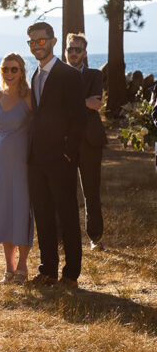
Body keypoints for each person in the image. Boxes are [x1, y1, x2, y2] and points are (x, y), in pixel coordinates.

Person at [25, 22, 85, 289]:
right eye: (32, 42)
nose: (36, 45)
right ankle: (47, 271)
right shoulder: (34, 76)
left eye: (41, 41)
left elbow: (79, 120)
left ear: (52, 41)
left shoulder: (68, 75)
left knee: (67, 216)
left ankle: (71, 274)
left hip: (60, 159)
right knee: (44, 215)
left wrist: (68, 155)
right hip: (36, 159)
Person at [0, 54, 34, 285]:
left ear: (22, 71)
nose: (10, 74)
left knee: (22, 211)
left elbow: (37, 129)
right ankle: (9, 267)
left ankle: (23, 265)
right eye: (6, 69)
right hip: (1, 162)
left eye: (14, 69)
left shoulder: (29, 96)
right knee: (3, 211)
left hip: (23, 162)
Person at [64, 33, 107, 251]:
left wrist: (71, 104)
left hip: (90, 141)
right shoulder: (57, 75)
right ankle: (67, 238)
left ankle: (95, 237)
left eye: (77, 50)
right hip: (65, 141)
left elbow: (95, 104)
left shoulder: (95, 75)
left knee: (91, 191)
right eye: (70, 49)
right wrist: (82, 103)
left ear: (85, 53)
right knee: (65, 191)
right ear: (65, 51)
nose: (73, 53)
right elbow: (57, 108)